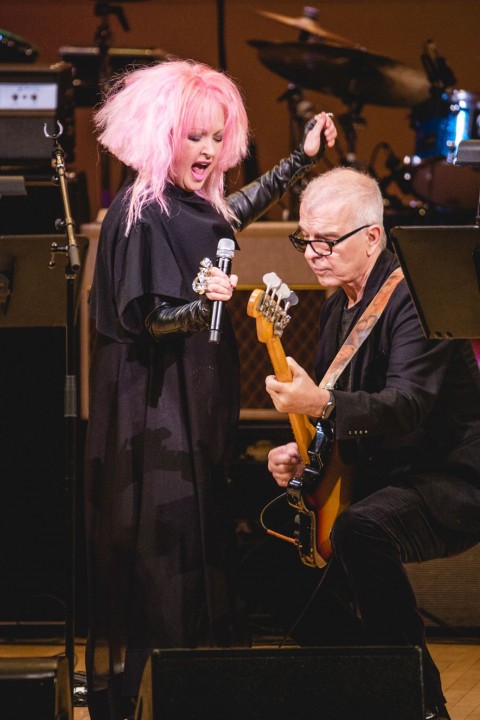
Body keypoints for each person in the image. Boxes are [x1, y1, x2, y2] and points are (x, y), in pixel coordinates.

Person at [84, 58, 337, 720]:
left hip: (193, 403)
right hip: (156, 412)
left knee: (201, 551)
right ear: (163, 134)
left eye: (215, 137)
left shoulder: (191, 206)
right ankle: (157, 699)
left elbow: (230, 213)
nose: (207, 150)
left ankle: (201, 694)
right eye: (194, 136)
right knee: (165, 560)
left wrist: (299, 162)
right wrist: (202, 308)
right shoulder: (140, 213)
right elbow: (147, 319)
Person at [265, 167, 480, 720]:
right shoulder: (339, 302)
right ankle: (369, 682)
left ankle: (422, 705)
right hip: (379, 477)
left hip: (449, 480)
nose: (312, 253)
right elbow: (331, 408)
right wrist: (301, 450)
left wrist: (321, 407)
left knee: (358, 529)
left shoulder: (416, 296)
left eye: (326, 240)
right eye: (304, 240)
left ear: (372, 237)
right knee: (264, 564)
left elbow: (407, 404)